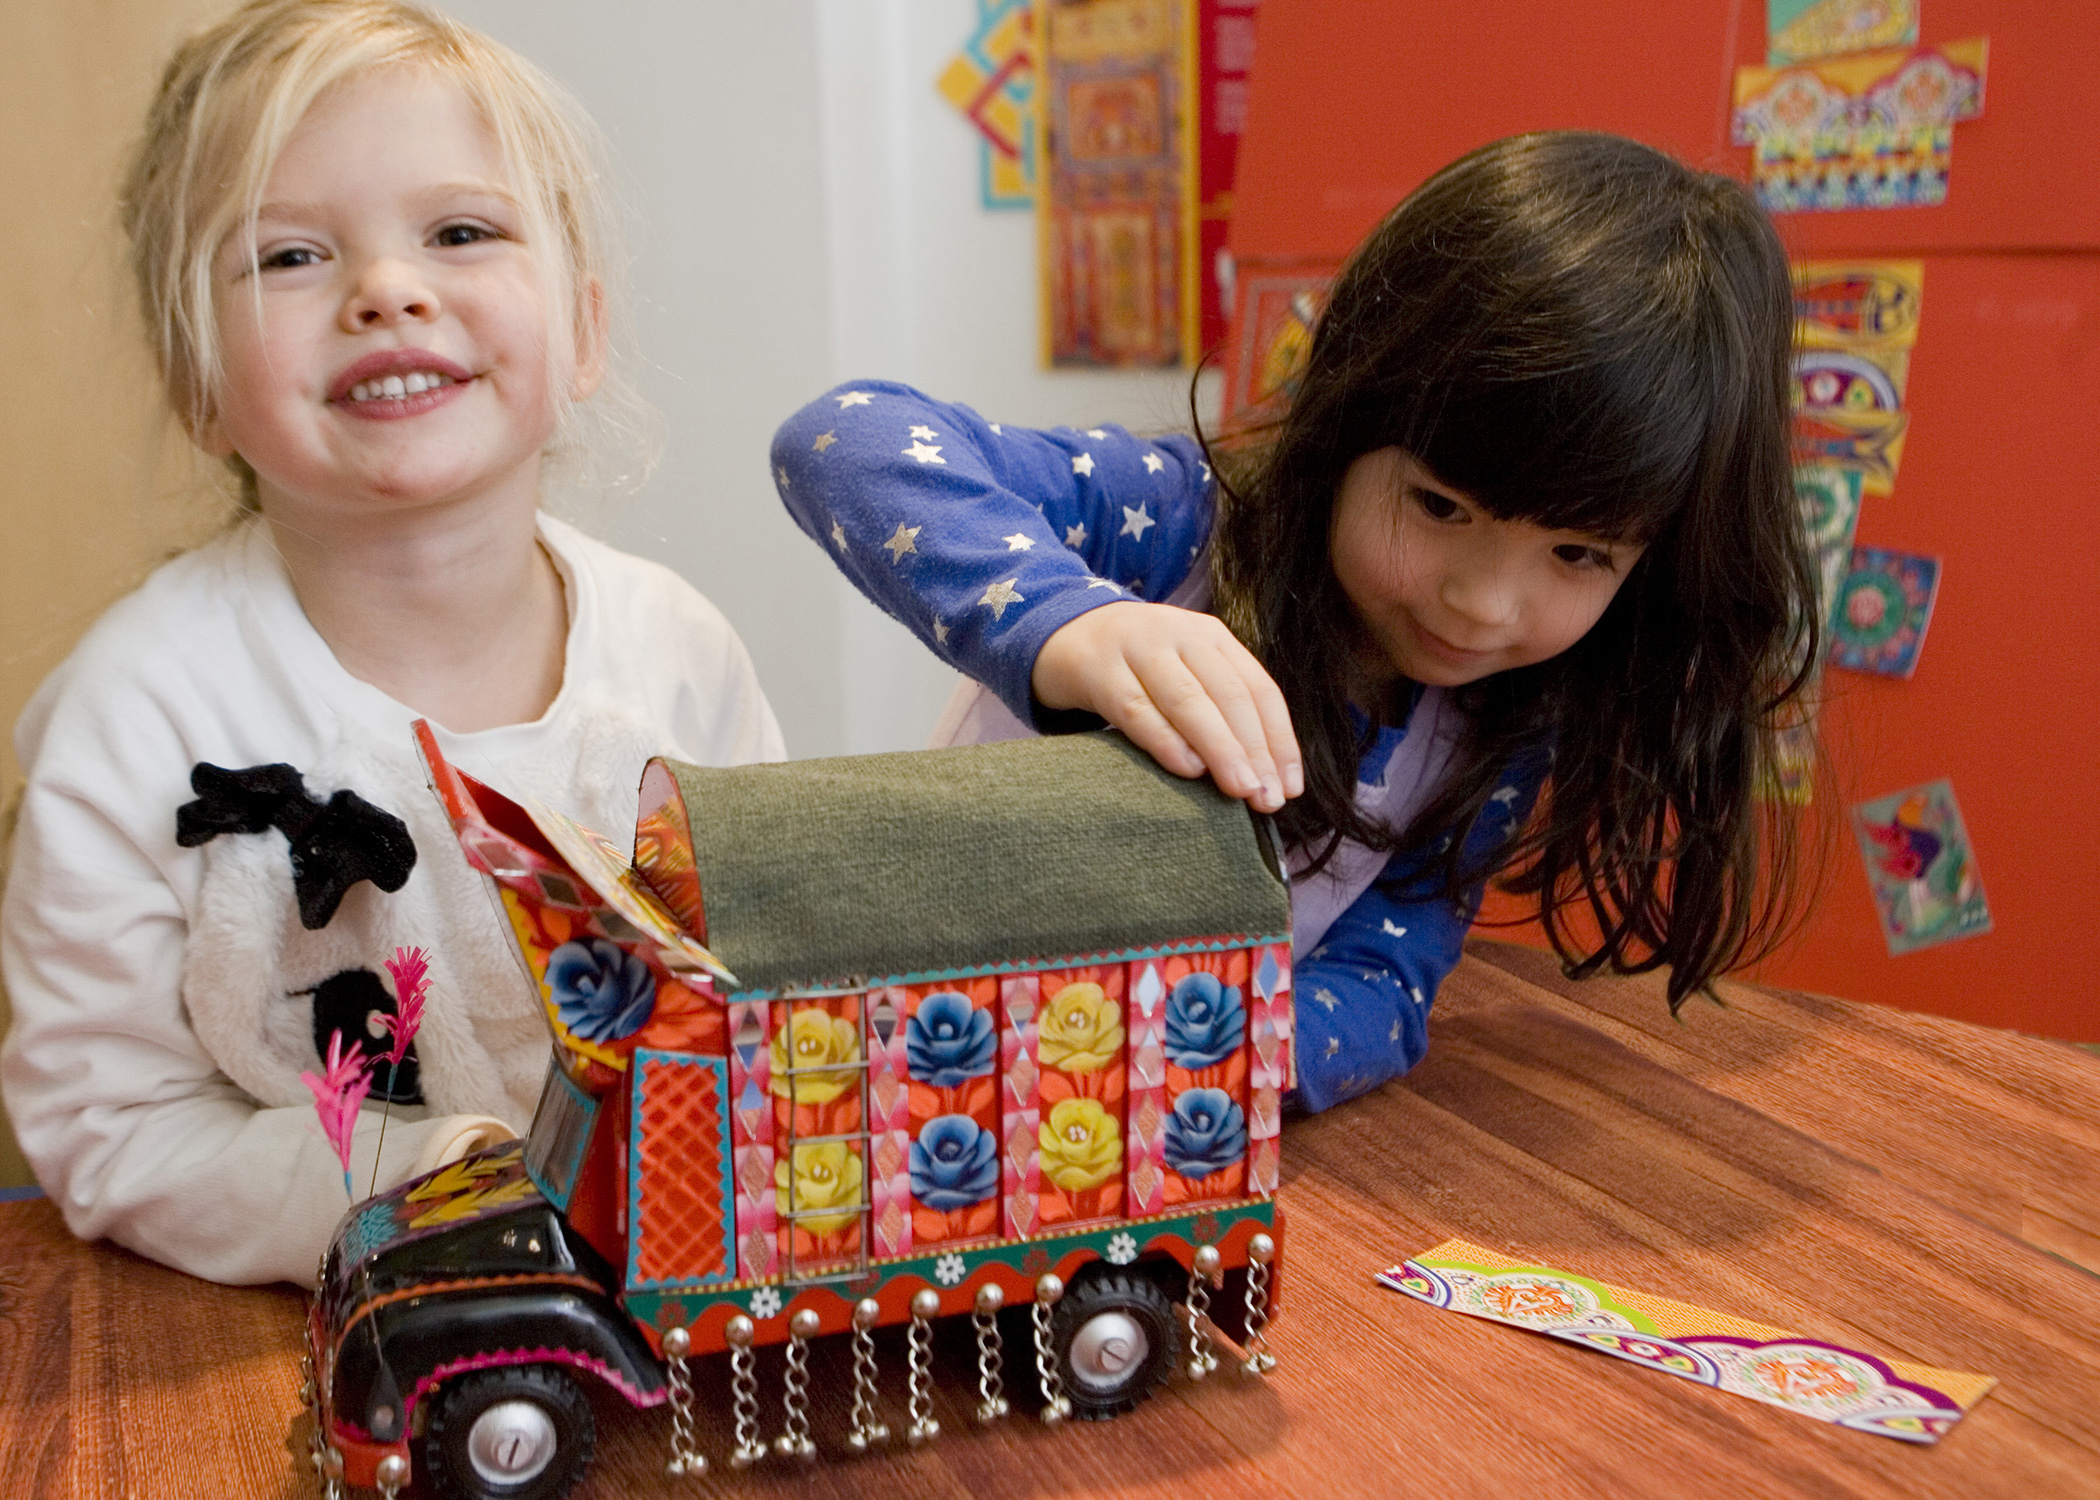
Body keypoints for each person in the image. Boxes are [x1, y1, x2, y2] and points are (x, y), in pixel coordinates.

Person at [773, 132, 1818, 1113]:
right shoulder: (1182, 524)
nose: (1484, 604)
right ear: (1349, 417)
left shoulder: (1500, 718)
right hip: (876, 1073)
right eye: (1440, 506)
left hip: (1120, 1140)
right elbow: (842, 440)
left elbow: (1385, 979)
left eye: (1580, 555)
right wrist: (1070, 627)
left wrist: (1196, 1065)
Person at [0, 0, 783, 1285]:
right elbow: (112, 1125)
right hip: (298, 1332)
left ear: (582, 330)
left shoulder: (680, 654)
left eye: (461, 232)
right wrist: (418, 1187)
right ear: (198, 381)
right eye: (291, 257)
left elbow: (768, 997)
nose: (387, 290)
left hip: (678, 1292)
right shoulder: (133, 716)